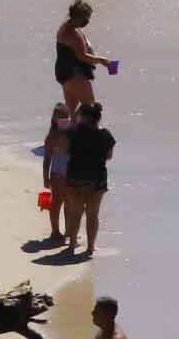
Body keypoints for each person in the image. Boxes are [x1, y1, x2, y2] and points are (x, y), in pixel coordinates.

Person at [62, 102, 114, 256]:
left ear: (83, 117)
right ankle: (90, 247)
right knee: (93, 216)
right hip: (96, 180)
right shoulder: (105, 135)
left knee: (75, 213)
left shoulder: (72, 132)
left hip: (75, 178)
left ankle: (72, 245)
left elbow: (65, 151)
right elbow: (109, 156)